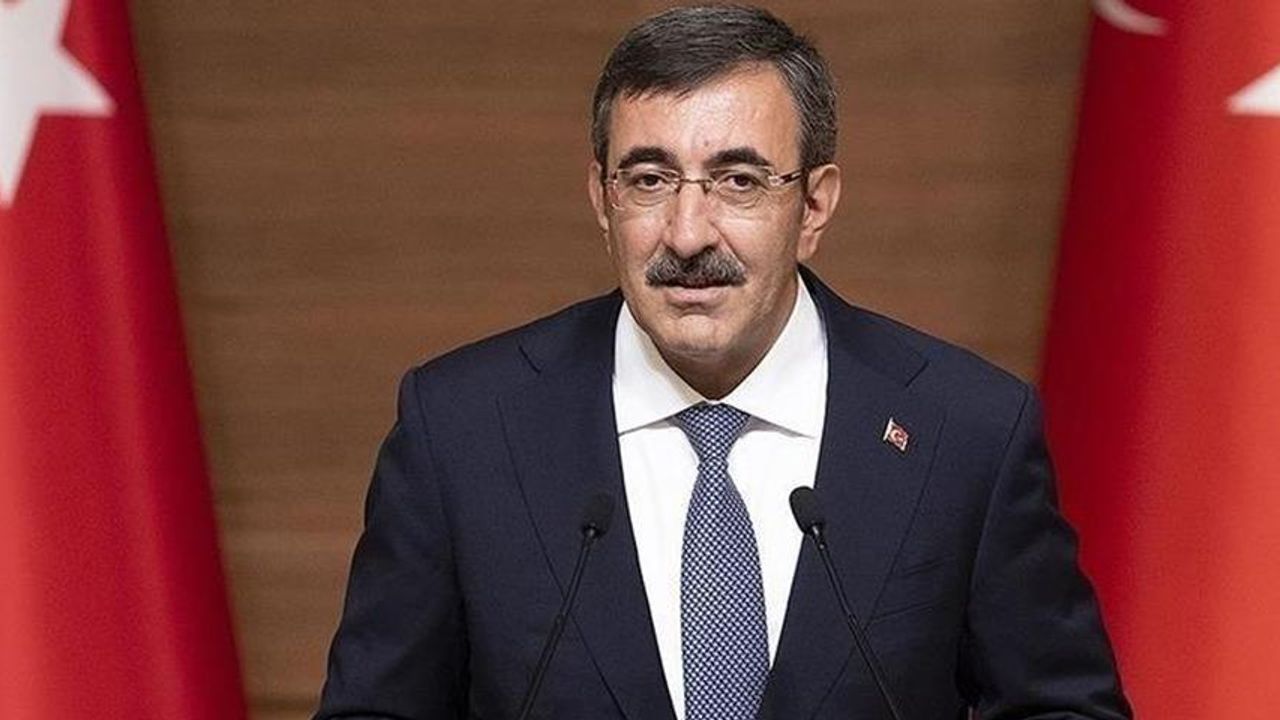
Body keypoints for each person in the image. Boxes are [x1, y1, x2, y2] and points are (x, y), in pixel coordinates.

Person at [314, 6, 1131, 719]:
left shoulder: (966, 432)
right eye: (649, 179)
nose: (687, 234)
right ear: (601, 199)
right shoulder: (462, 430)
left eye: (738, 181)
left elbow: (1063, 707)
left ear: (814, 204)